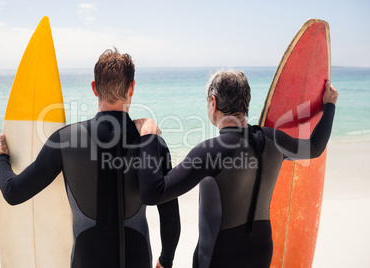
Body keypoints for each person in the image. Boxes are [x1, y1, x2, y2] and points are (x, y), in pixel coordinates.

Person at [0, 48, 180, 268]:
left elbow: (14, 192)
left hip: (87, 259)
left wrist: (1, 159)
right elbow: (169, 217)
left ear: (94, 88)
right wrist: (165, 260)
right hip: (137, 258)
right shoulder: (152, 143)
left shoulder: (65, 140)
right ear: (132, 87)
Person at [134, 70, 338, 267]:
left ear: (213, 103)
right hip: (262, 252)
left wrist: (148, 138)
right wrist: (329, 106)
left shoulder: (210, 151)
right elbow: (315, 147)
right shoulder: (274, 140)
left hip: (219, 256)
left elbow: (154, 193)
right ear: (246, 102)